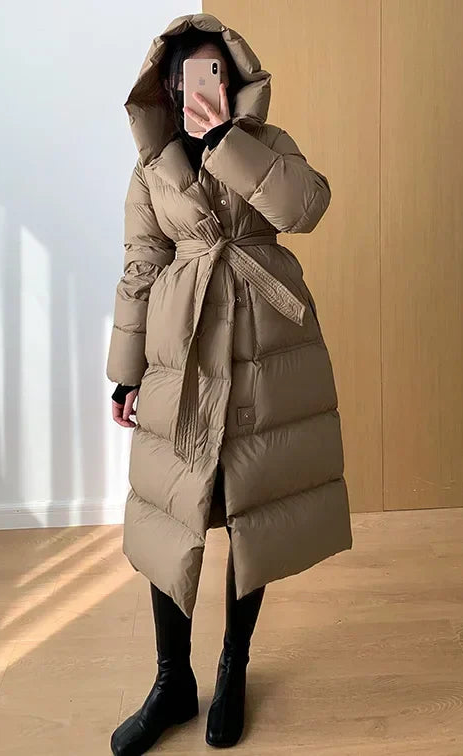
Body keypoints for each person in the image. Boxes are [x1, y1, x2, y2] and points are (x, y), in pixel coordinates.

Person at [106, 12, 353, 755]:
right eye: (186, 76)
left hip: (262, 348)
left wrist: (225, 142)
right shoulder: (150, 169)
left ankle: (233, 666)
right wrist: (125, 375)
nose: (200, 86)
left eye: (213, 70)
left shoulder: (266, 144)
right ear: (167, 85)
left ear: (235, 76)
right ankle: (171, 681)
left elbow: (306, 207)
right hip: (180, 355)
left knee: (253, 508)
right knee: (170, 513)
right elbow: (141, 267)